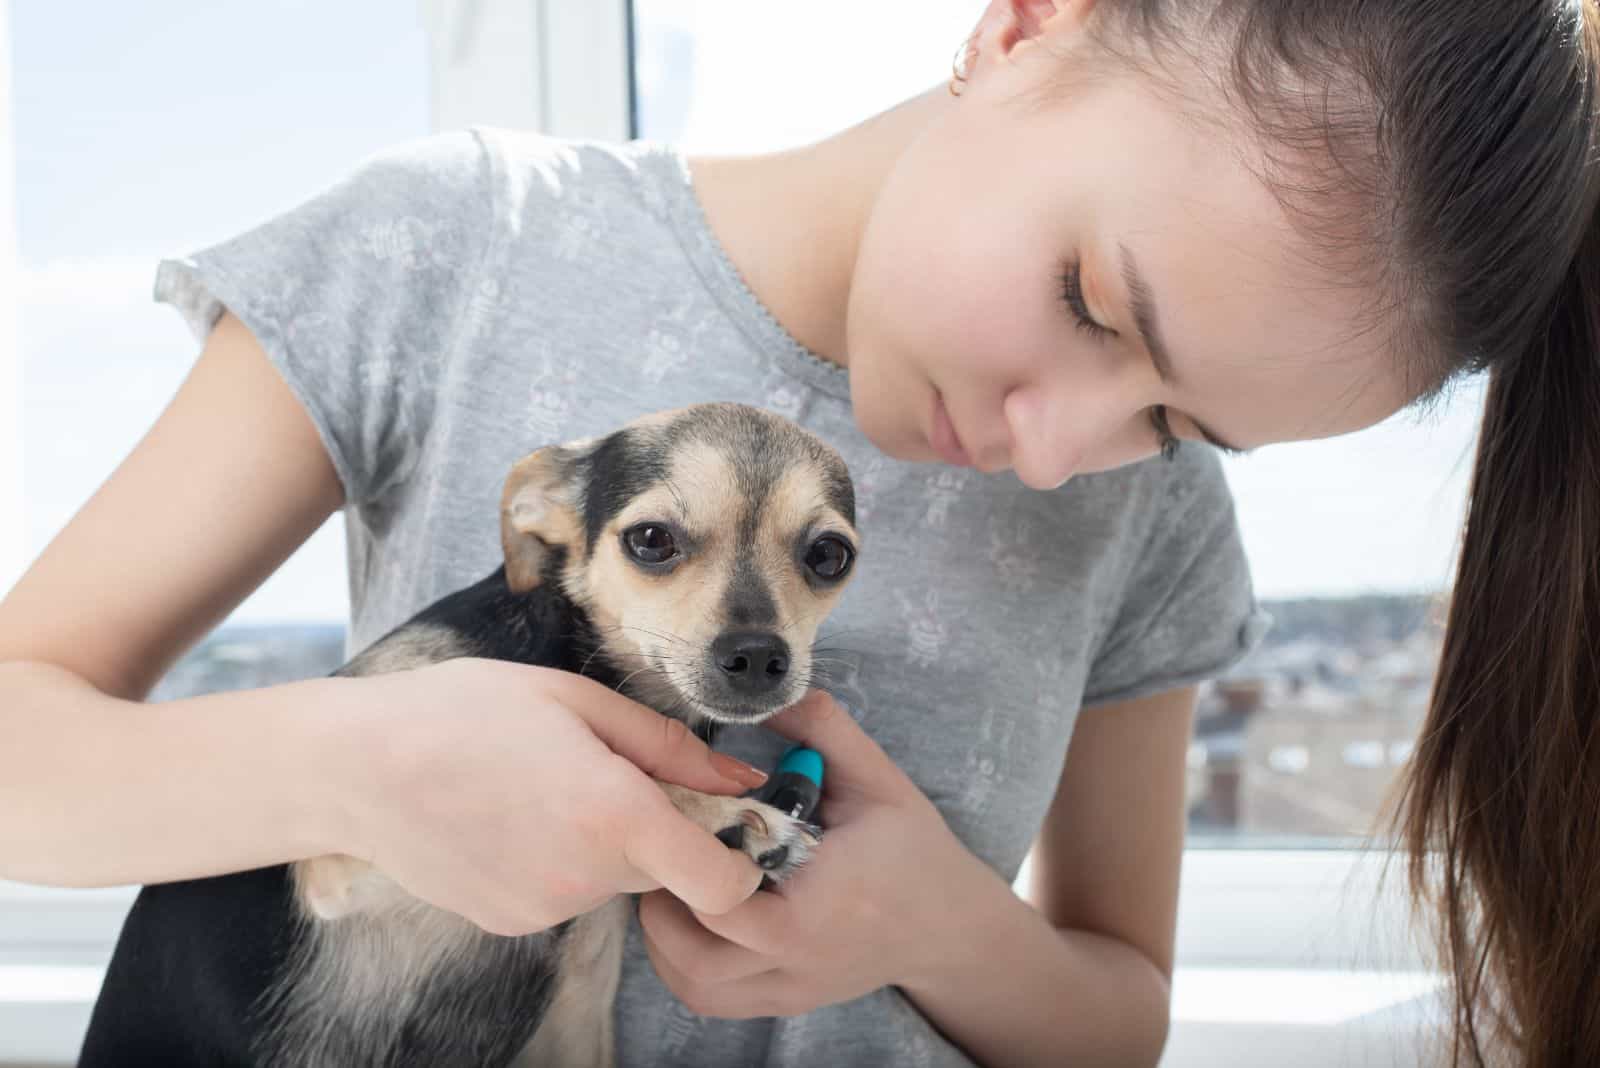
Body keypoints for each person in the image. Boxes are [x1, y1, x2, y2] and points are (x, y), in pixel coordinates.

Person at [2, 0, 1595, 1064]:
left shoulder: (1145, 520)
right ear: (1027, 25)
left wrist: (933, 926)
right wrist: (359, 764)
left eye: (1178, 422)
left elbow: (1118, 1018)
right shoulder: (453, 246)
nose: (1058, 454)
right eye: (1089, 302)